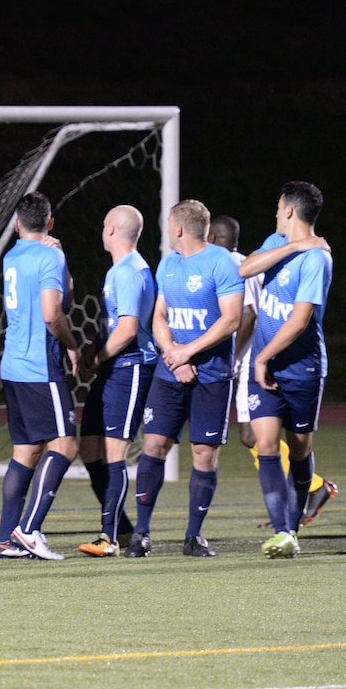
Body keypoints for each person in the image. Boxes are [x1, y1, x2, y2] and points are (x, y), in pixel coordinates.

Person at [131, 200, 244, 558]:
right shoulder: (168, 264)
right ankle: (141, 533)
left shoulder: (221, 262)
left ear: (178, 228)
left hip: (212, 375)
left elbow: (231, 320)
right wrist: (174, 355)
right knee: (154, 447)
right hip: (170, 372)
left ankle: (193, 536)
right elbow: (159, 317)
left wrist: (187, 352)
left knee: (203, 453)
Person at [214, 215, 338, 528]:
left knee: (268, 439)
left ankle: (309, 491)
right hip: (259, 358)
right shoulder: (266, 250)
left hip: (261, 360)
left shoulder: (225, 261)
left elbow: (250, 313)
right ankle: (285, 520)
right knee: (256, 438)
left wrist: (237, 357)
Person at [239, 182, 332, 559]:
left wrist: (261, 358)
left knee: (299, 449)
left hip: (302, 367)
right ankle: (282, 531)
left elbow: (299, 320)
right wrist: (294, 244)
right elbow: (245, 268)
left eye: (279, 208)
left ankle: (292, 527)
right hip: (265, 367)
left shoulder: (318, 260)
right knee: (264, 444)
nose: (276, 214)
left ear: (290, 211)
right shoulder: (279, 243)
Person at [0, 191, 82, 561]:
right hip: (40, 367)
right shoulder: (50, 255)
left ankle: (4, 538)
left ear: (16, 224)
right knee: (65, 445)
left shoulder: (12, 256)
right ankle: (28, 530)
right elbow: (52, 313)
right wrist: (72, 344)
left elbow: (63, 297)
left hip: (12, 366)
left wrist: (62, 264)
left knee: (26, 452)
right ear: (49, 223)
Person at [74, 205, 157, 558]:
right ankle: (121, 528)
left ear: (111, 231)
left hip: (131, 367)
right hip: (113, 368)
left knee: (113, 453)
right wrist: (95, 348)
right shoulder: (119, 271)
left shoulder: (128, 272)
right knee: (90, 449)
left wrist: (96, 357)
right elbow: (111, 325)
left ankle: (108, 537)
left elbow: (127, 331)